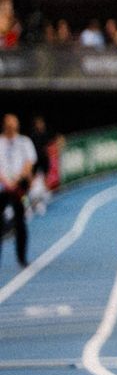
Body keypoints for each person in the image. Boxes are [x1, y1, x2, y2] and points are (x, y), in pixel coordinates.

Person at [0, 113, 36, 267]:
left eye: (14, 124)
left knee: (21, 221)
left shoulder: (24, 142)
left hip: (19, 189)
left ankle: (22, 257)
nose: (11, 127)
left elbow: (29, 162)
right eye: (9, 124)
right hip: (2, 188)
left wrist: (18, 180)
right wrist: (6, 181)